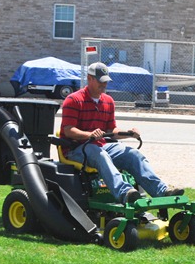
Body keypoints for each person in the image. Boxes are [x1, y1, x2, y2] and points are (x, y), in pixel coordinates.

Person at [60, 62, 184, 204]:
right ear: (89, 79)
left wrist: (128, 133)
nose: (104, 85)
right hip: (76, 149)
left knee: (133, 154)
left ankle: (162, 191)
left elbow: (111, 131)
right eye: (101, 81)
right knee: (100, 154)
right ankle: (125, 193)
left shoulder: (108, 101)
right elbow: (68, 130)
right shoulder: (74, 100)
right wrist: (90, 135)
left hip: (101, 146)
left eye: (106, 81)